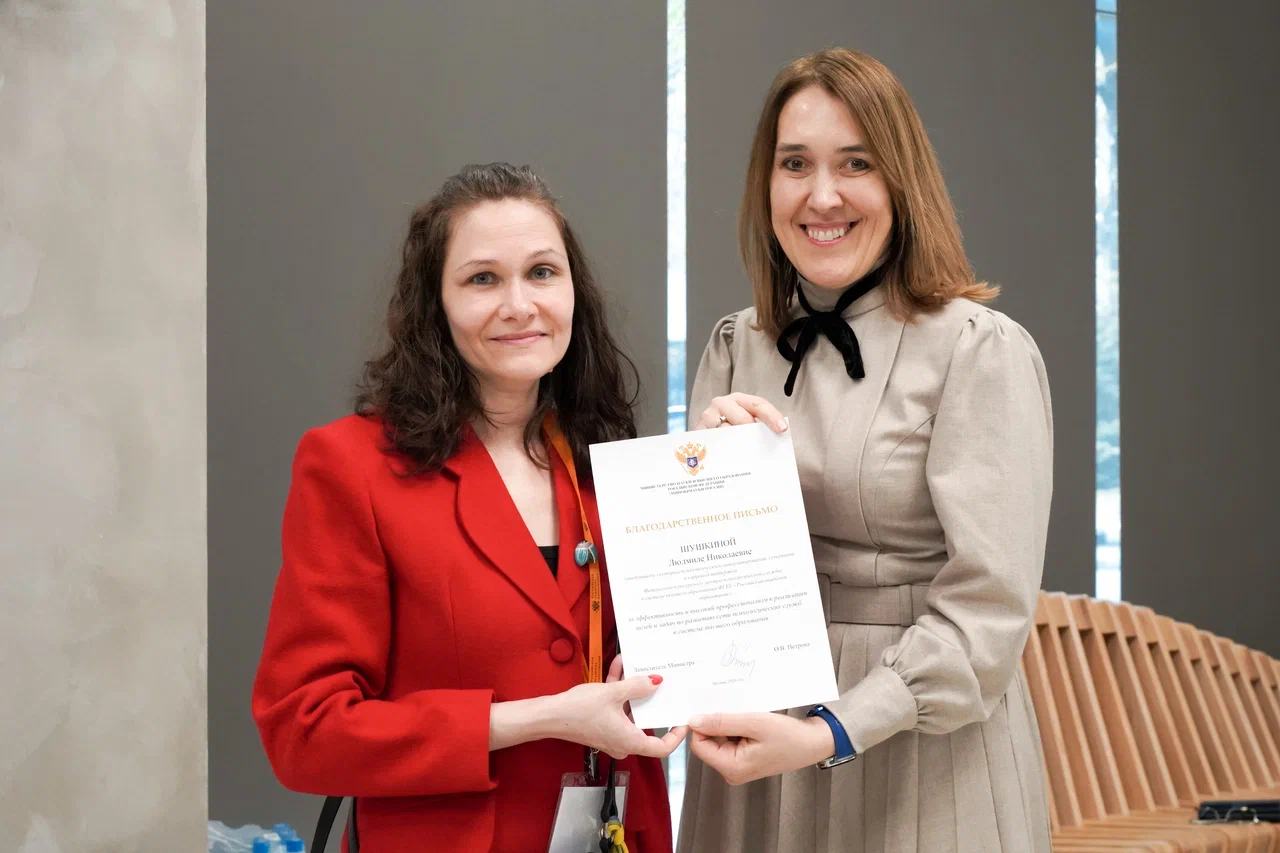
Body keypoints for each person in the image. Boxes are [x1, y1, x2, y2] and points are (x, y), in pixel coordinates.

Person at [677, 49, 1054, 853]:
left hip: (922, 753)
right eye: (795, 164)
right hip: (754, 754)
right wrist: (700, 490)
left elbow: (987, 614)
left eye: (856, 163)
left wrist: (831, 730)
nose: (822, 196)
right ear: (766, 185)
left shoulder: (978, 350)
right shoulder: (733, 345)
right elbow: (702, 589)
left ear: (901, 182)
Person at [252, 163, 685, 852]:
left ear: (574, 290)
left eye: (542, 272)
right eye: (483, 279)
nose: (520, 304)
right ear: (436, 304)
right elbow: (305, 731)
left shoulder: (611, 463)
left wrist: (730, 468)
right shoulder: (351, 465)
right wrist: (536, 718)